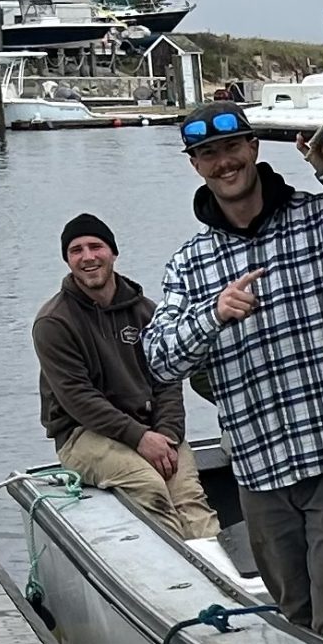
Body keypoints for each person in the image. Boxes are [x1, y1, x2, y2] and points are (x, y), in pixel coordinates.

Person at [144, 102, 323, 644]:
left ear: (253, 148)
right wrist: (215, 313)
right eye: (207, 154)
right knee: (298, 617)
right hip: (258, 465)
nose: (223, 163)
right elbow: (159, 359)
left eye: (231, 148)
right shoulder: (191, 263)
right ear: (195, 166)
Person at [32, 212, 221, 541]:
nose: (88, 257)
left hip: (151, 429)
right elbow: (78, 399)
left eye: (96, 246)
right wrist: (139, 438)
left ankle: (227, 583)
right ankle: (175, 582)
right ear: (67, 260)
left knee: (189, 496)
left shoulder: (146, 310)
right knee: (150, 487)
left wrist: (168, 435)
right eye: (76, 250)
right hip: (82, 435)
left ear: (113, 253)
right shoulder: (53, 322)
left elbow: (167, 380)